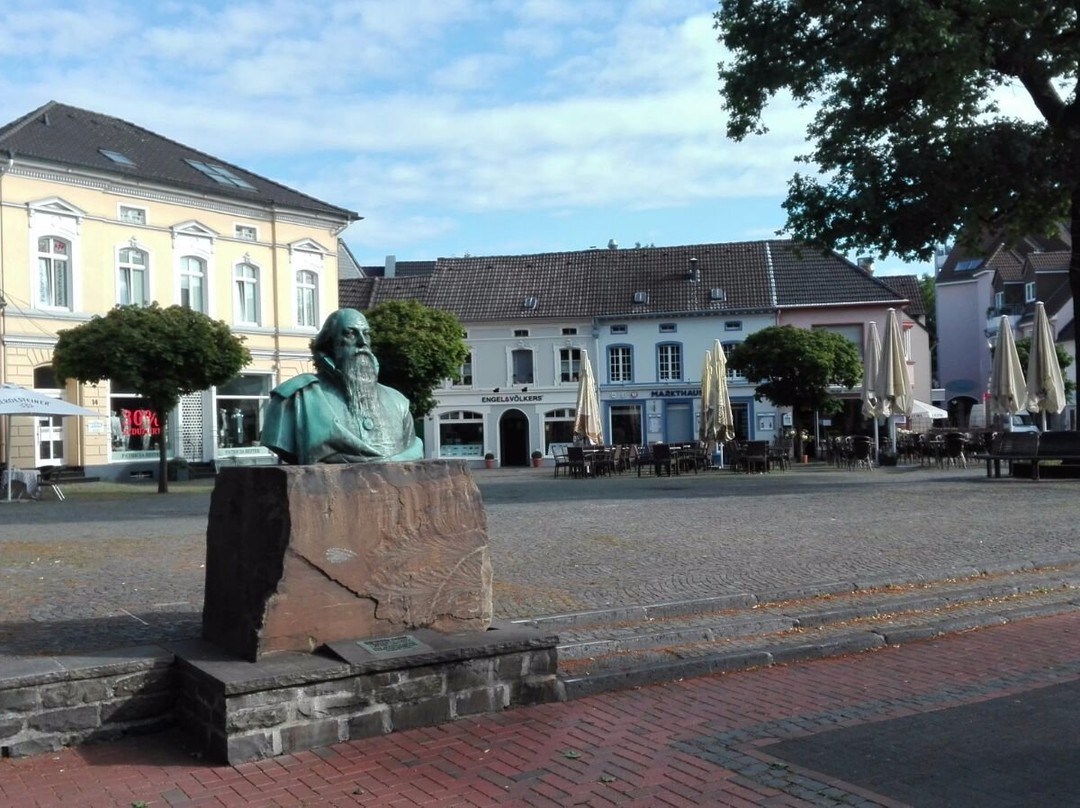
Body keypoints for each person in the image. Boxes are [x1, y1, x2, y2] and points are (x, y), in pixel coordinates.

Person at [260, 308, 423, 464]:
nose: (362, 342)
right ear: (330, 344)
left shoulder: (398, 401)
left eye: (366, 334)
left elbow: (412, 454)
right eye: (350, 333)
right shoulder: (296, 398)